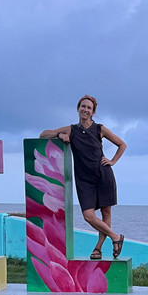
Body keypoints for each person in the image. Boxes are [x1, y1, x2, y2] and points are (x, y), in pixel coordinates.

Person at [40, 95, 127, 259]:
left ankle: (98, 248)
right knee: (88, 216)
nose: (85, 110)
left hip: (103, 174)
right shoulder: (71, 129)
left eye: (89, 108)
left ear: (93, 112)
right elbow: (43, 134)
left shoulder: (100, 129)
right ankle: (116, 237)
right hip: (84, 180)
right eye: (83, 106)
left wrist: (113, 161)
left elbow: (122, 144)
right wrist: (59, 135)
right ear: (78, 109)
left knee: (106, 213)